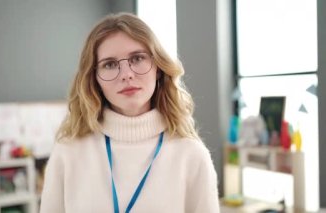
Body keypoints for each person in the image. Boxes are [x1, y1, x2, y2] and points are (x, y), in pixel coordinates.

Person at [40, 12, 219, 213]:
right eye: (110, 64)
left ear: (158, 67)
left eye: (137, 58)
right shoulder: (68, 151)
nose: (126, 74)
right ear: (94, 78)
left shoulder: (191, 154)